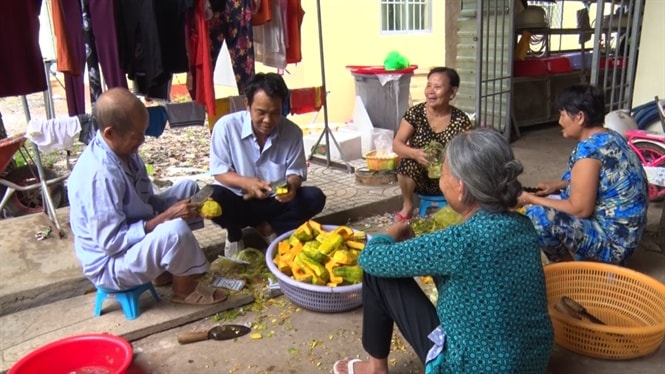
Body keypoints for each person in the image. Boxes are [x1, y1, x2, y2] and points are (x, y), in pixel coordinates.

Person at [333, 128, 553, 374]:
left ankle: (375, 368)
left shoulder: (459, 241)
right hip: (532, 363)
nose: (441, 179)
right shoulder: (524, 227)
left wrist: (392, 232)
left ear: (460, 188)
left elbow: (371, 258)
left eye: (444, 173)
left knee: (375, 270)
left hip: (470, 368)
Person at [68, 88, 227, 305]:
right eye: (136, 136)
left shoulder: (125, 153)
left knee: (189, 189)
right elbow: (112, 243)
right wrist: (167, 217)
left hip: (129, 240)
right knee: (175, 230)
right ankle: (183, 289)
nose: (142, 140)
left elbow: (145, 202)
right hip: (110, 264)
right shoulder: (100, 176)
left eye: (143, 133)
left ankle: (165, 269)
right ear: (110, 134)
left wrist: (176, 209)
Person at [519, 84, 648, 265]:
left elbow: (580, 209)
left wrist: (530, 199)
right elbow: (600, 180)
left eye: (562, 114)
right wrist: (557, 186)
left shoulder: (588, 151)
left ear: (579, 117)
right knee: (562, 186)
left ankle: (572, 272)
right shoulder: (611, 137)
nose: (559, 121)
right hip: (628, 234)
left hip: (614, 243)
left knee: (537, 216)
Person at [209, 72, 326, 257]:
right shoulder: (226, 126)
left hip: (273, 201)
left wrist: (291, 187)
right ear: (247, 104)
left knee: (314, 197)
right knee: (212, 199)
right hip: (239, 199)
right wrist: (248, 183)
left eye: (275, 113)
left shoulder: (292, 132)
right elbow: (220, 171)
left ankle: (271, 229)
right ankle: (235, 233)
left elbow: (295, 172)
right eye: (261, 113)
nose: (268, 120)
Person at [392, 67, 474, 222]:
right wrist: (415, 154)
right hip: (421, 178)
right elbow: (397, 144)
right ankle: (408, 206)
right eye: (428, 85)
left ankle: (459, 206)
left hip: (450, 178)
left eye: (437, 87)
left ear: (452, 92)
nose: (430, 91)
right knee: (406, 163)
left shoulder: (460, 120)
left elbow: (468, 153)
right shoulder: (415, 114)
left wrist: (447, 164)